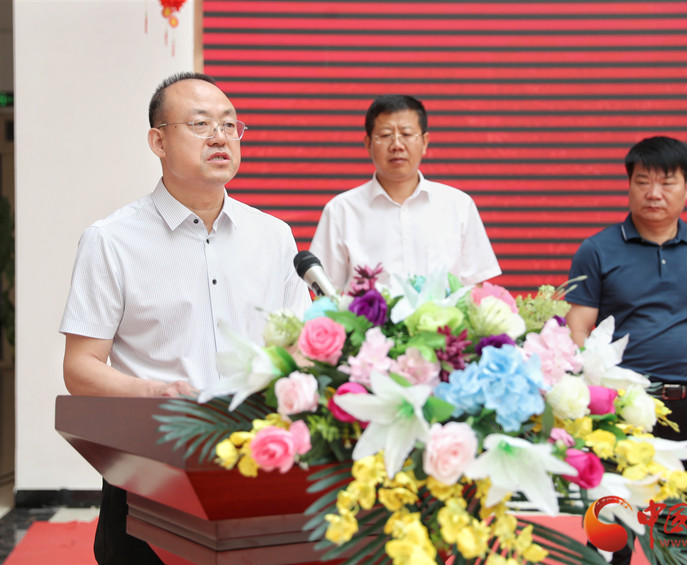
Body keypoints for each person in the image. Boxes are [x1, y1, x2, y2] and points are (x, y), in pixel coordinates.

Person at [59, 72, 310, 564]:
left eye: (230, 125)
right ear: (158, 141)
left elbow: (299, 347)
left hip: (258, 462)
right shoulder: (111, 240)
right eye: (200, 124)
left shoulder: (274, 236)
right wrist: (153, 392)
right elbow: (80, 368)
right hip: (149, 464)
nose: (220, 137)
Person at [565, 136, 687, 564]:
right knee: (611, 533)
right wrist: (588, 398)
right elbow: (578, 327)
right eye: (643, 181)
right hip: (621, 408)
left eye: (667, 183)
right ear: (629, 185)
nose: (654, 193)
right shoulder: (598, 249)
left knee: (683, 534)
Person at [309, 94, 501, 290]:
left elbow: (475, 287)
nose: (397, 146)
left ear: (425, 142)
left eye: (407, 134)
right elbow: (325, 290)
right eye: (385, 135)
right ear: (368, 144)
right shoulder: (340, 211)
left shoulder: (458, 206)